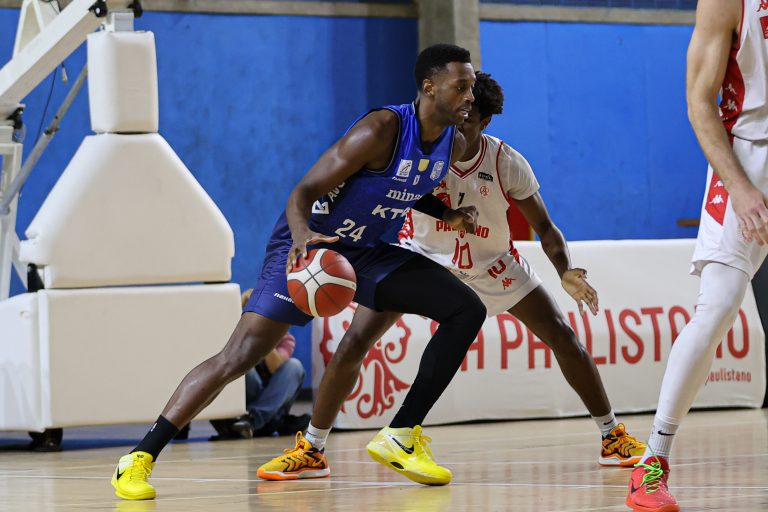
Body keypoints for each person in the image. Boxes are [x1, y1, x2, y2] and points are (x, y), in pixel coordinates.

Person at [111, 43, 488, 500]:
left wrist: (446, 213)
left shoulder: (454, 142)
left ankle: (399, 434)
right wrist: (302, 236)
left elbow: (409, 184)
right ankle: (139, 457)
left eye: (471, 87)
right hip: (311, 246)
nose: (470, 96)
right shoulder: (381, 129)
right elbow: (303, 192)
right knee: (239, 356)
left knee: (465, 309)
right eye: (461, 87)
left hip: (368, 252)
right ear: (429, 87)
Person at [257, 72, 646, 484]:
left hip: (491, 262)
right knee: (354, 343)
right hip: (422, 255)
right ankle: (312, 449)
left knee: (563, 336)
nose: (456, 126)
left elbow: (546, 228)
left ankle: (612, 437)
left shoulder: (506, 162)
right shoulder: (424, 150)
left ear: (485, 122)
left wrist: (564, 269)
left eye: (467, 120)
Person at [626, 1, 768, 511]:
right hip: (749, 157)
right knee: (717, 308)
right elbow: (698, 101)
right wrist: (741, 188)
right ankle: (652, 463)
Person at [208, 289, 309, 440]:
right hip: (237, 415)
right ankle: (246, 422)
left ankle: (252, 421)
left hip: (267, 415)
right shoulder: (234, 332)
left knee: (294, 366)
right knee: (239, 364)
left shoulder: (286, 339)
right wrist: (239, 312)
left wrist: (261, 335)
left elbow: (275, 367)